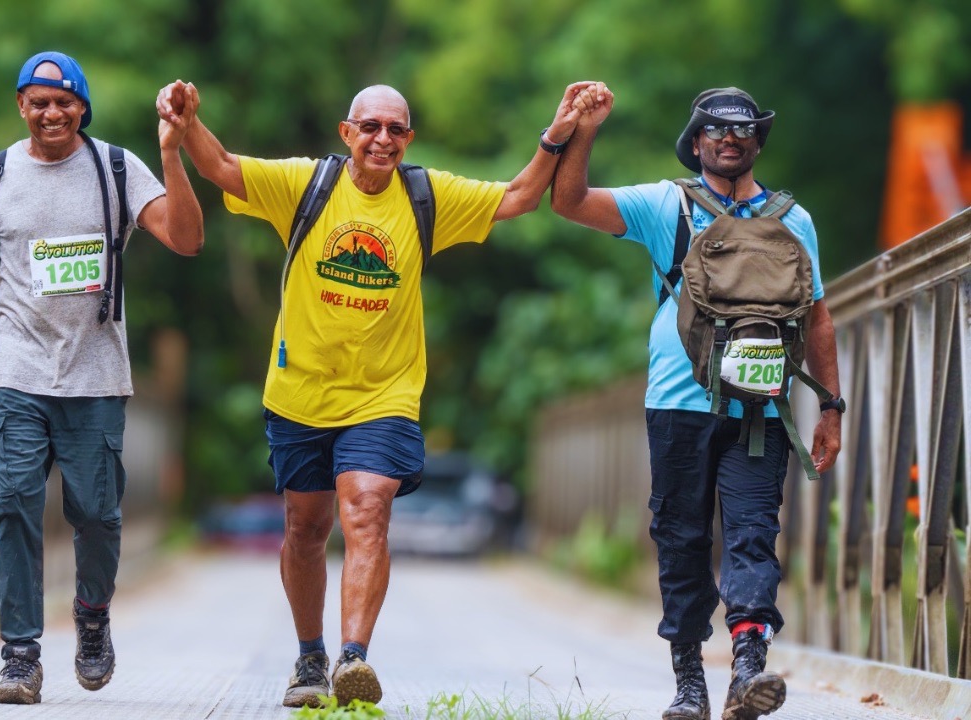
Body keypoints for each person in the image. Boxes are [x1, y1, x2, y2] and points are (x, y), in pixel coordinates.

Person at [155, 79, 587, 707]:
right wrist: (188, 122)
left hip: (384, 392)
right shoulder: (306, 185)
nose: (383, 139)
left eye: (396, 129)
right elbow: (221, 168)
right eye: (372, 127)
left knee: (367, 509)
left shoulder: (426, 194)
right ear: (347, 132)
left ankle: (353, 660)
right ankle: (310, 658)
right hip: (299, 389)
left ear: (408, 139)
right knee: (305, 527)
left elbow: (522, 196)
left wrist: (557, 132)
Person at [552, 85, 843, 720]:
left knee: (751, 537)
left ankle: (746, 670)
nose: (729, 139)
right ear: (697, 142)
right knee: (681, 539)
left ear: (757, 143)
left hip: (760, 409)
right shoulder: (667, 205)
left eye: (742, 132)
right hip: (677, 404)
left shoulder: (794, 219)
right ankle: (690, 684)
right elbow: (567, 201)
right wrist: (583, 131)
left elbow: (818, 316)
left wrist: (830, 406)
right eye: (715, 130)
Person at [0, 51, 204, 705]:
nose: (51, 113)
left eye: (63, 102)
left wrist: (171, 152)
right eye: (37, 101)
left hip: (97, 374)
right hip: (18, 367)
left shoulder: (115, 168)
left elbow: (188, 240)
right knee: (12, 506)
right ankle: (20, 654)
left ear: (82, 107)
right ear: (21, 107)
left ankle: (92, 617)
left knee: (98, 517)